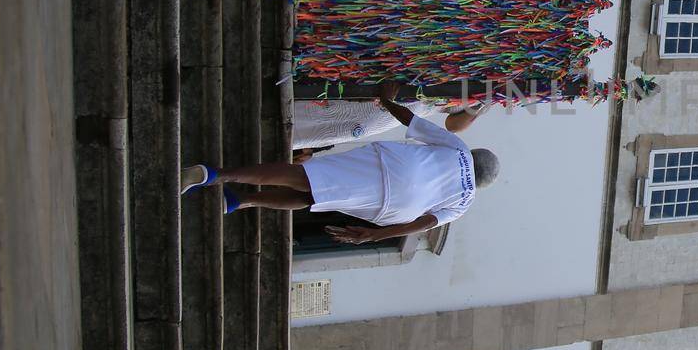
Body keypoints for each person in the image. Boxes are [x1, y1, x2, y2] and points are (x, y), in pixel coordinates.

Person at [180, 83, 497, 245]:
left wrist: (386, 101)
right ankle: (241, 199)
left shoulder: (459, 149)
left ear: (476, 155)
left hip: (391, 168)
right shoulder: (465, 203)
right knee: (313, 196)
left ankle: (214, 175)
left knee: (303, 177)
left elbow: (413, 122)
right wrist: (376, 236)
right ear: (480, 184)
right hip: (393, 209)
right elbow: (424, 224)